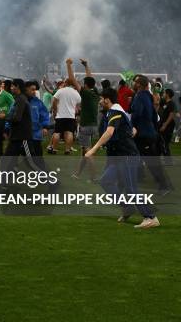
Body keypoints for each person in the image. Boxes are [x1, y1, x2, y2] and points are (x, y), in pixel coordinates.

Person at [85, 88, 160, 229]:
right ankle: (127, 208)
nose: (100, 101)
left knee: (131, 189)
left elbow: (109, 131)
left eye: (101, 99)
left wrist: (93, 150)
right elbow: (133, 130)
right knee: (106, 182)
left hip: (127, 156)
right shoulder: (117, 112)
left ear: (107, 99)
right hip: (119, 156)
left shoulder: (115, 112)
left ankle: (151, 217)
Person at [130, 75, 172, 194]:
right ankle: (137, 177)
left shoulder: (139, 96)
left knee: (150, 161)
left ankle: (164, 185)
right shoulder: (148, 95)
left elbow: (136, 113)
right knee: (137, 155)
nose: (133, 84)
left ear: (139, 84)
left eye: (135, 82)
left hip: (143, 133)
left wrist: (132, 125)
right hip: (148, 132)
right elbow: (154, 115)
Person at [68, 59, 99, 180]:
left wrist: (68, 65)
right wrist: (86, 65)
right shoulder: (95, 92)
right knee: (84, 152)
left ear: (85, 85)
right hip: (94, 126)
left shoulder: (85, 93)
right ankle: (77, 174)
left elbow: (72, 80)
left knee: (88, 151)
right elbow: (90, 78)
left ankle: (94, 177)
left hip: (85, 126)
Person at [48, 62, 81, 155]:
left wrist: (55, 111)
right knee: (69, 132)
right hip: (70, 116)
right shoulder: (75, 92)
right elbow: (78, 103)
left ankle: (54, 149)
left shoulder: (60, 91)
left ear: (66, 83)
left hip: (60, 115)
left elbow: (54, 100)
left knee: (57, 132)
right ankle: (67, 149)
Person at [159, 88, 176, 161]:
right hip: (164, 124)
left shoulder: (171, 103)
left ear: (168, 94)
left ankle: (168, 160)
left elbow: (171, 115)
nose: (163, 94)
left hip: (168, 126)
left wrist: (165, 125)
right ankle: (166, 159)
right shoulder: (164, 102)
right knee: (162, 141)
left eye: (164, 93)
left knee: (165, 142)